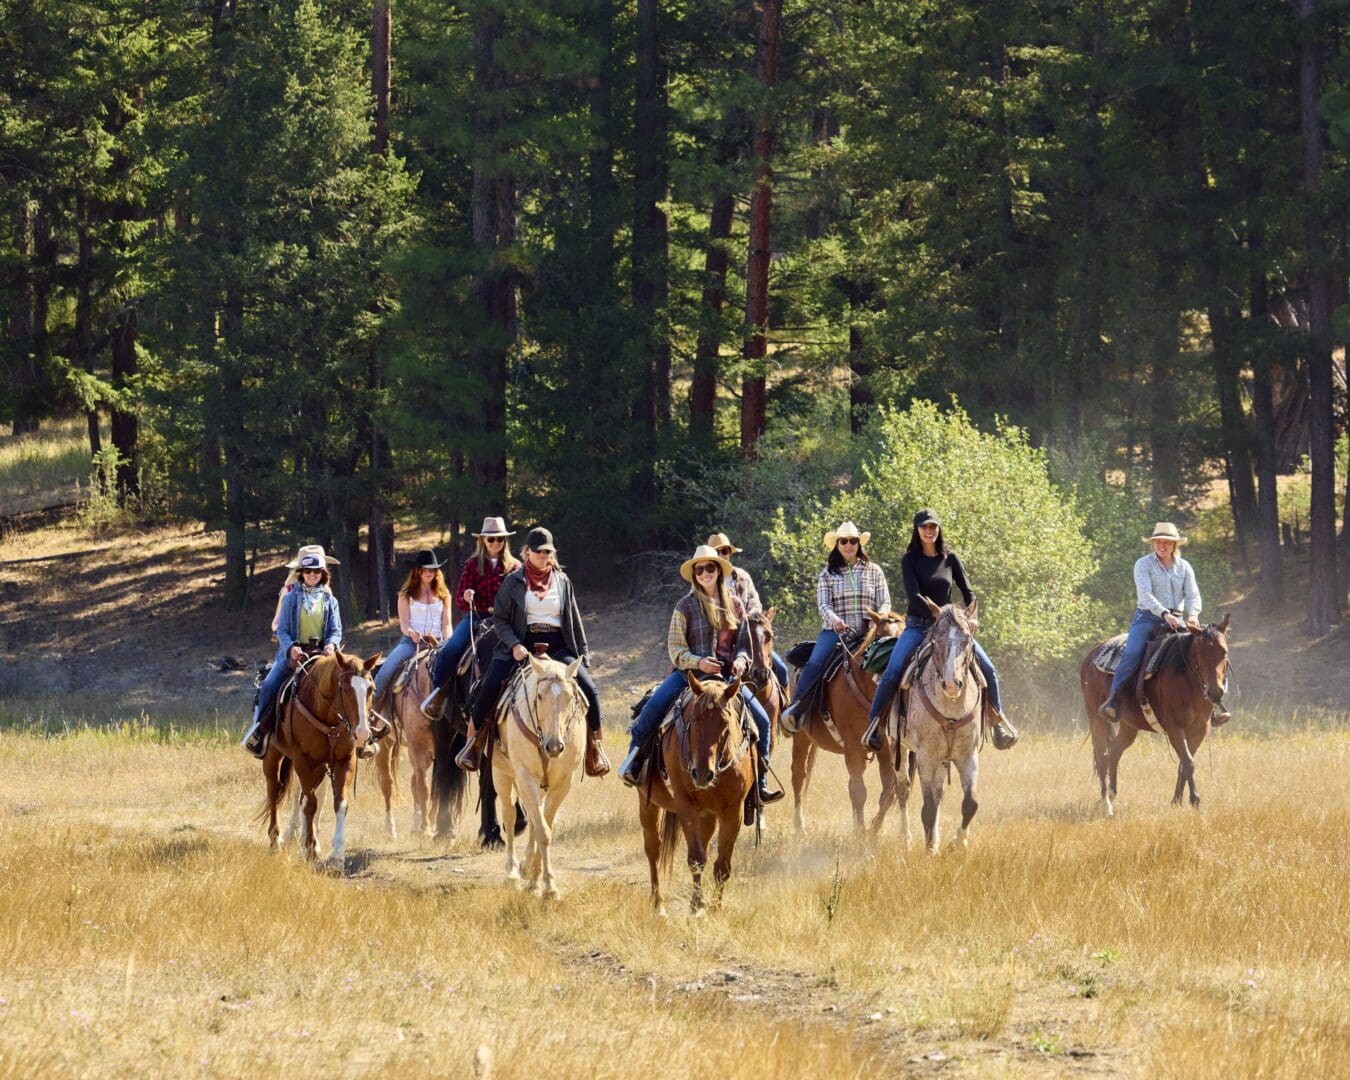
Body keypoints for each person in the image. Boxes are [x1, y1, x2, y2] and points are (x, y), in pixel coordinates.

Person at [619, 545, 783, 807]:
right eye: (700, 569)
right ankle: (634, 762)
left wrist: (741, 660)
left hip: (727, 681)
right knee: (651, 709)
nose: (705, 573)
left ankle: (759, 785)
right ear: (694, 575)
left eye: (710, 567)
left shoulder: (736, 604)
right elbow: (676, 650)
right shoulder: (684, 606)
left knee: (762, 722)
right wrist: (698, 662)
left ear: (718, 571)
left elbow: (743, 644)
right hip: (690, 677)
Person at [455, 527, 610, 778]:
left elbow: (574, 620)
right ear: (527, 552)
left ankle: (596, 749)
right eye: (538, 551)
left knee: (589, 688)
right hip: (521, 642)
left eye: (547, 551)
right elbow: (501, 619)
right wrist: (515, 645)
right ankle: (472, 745)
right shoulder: (513, 580)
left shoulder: (563, 581)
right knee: (490, 684)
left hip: (558, 644)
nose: (542, 555)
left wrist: (583, 655)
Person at [863, 509, 1017, 750]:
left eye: (933, 526)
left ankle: (996, 723)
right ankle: (876, 725)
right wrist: (937, 613)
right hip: (917, 625)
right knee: (893, 670)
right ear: (917, 530)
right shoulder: (909, 560)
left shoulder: (950, 558)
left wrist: (971, 616)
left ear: (938, 529)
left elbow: (969, 592)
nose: (929, 531)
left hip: (950, 628)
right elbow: (914, 596)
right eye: (924, 527)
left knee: (988, 668)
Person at [1098, 522, 1222, 723]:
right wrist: (1165, 614)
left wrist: (1193, 615)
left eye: (1167, 542)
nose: (1162, 545)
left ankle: (1213, 704)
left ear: (1175, 545)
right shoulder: (1143, 564)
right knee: (1132, 653)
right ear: (1153, 543)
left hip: (1179, 619)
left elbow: (1193, 594)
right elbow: (1145, 595)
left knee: (1204, 651)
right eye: (1158, 542)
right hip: (1147, 618)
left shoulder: (1184, 567)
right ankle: (1115, 700)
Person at [781, 522, 891, 724]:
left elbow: (885, 600)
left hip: (870, 632)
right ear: (837, 545)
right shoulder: (827, 574)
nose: (849, 545)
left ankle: (903, 712)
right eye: (844, 541)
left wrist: (880, 616)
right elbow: (823, 605)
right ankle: (798, 708)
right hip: (836, 633)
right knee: (815, 663)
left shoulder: (874, 571)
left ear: (859, 544)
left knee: (896, 660)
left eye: (853, 541)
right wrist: (835, 620)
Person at [243, 545, 344, 759]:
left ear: (323, 574)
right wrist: (291, 648)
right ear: (301, 574)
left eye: (317, 572)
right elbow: (282, 630)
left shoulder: (330, 601)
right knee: (269, 685)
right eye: (308, 572)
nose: (313, 575)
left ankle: (358, 735)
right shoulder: (289, 599)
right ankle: (259, 732)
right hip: (294, 653)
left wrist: (331, 644)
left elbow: (336, 630)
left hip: (322, 654)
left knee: (351, 684)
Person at [419, 517, 519, 720]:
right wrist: (466, 596)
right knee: (451, 648)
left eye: (500, 539)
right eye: (491, 540)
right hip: (477, 615)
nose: (496, 543)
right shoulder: (472, 565)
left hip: (506, 620)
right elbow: (459, 598)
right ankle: (439, 694)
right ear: (483, 541)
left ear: (505, 541)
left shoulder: (515, 566)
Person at [707, 531, 789, 690]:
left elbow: (754, 601)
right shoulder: (704, 580)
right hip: (720, 643)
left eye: (724, 551)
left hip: (748, 635)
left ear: (730, 554)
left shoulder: (742, 576)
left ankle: (787, 709)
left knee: (782, 670)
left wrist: (747, 619)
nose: (721, 555)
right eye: (717, 552)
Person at [373, 549, 452, 707]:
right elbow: (404, 624)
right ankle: (371, 708)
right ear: (417, 570)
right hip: (411, 642)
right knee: (386, 671)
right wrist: (411, 633)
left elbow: (447, 624)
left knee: (461, 668)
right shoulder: (405, 594)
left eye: (433, 569)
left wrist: (447, 641)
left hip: (438, 643)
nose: (429, 572)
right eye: (425, 569)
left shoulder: (444, 595)